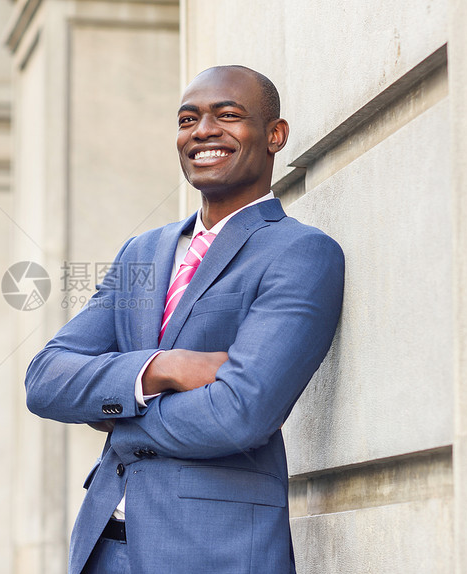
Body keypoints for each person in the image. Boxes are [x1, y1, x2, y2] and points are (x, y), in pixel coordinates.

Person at [24, 65, 345, 573]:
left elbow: (240, 412)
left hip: (216, 551)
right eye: (187, 119)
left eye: (229, 115)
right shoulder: (141, 253)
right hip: (103, 548)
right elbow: (46, 377)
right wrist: (159, 370)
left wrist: (117, 418)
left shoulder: (299, 253)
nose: (202, 131)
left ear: (275, 136)